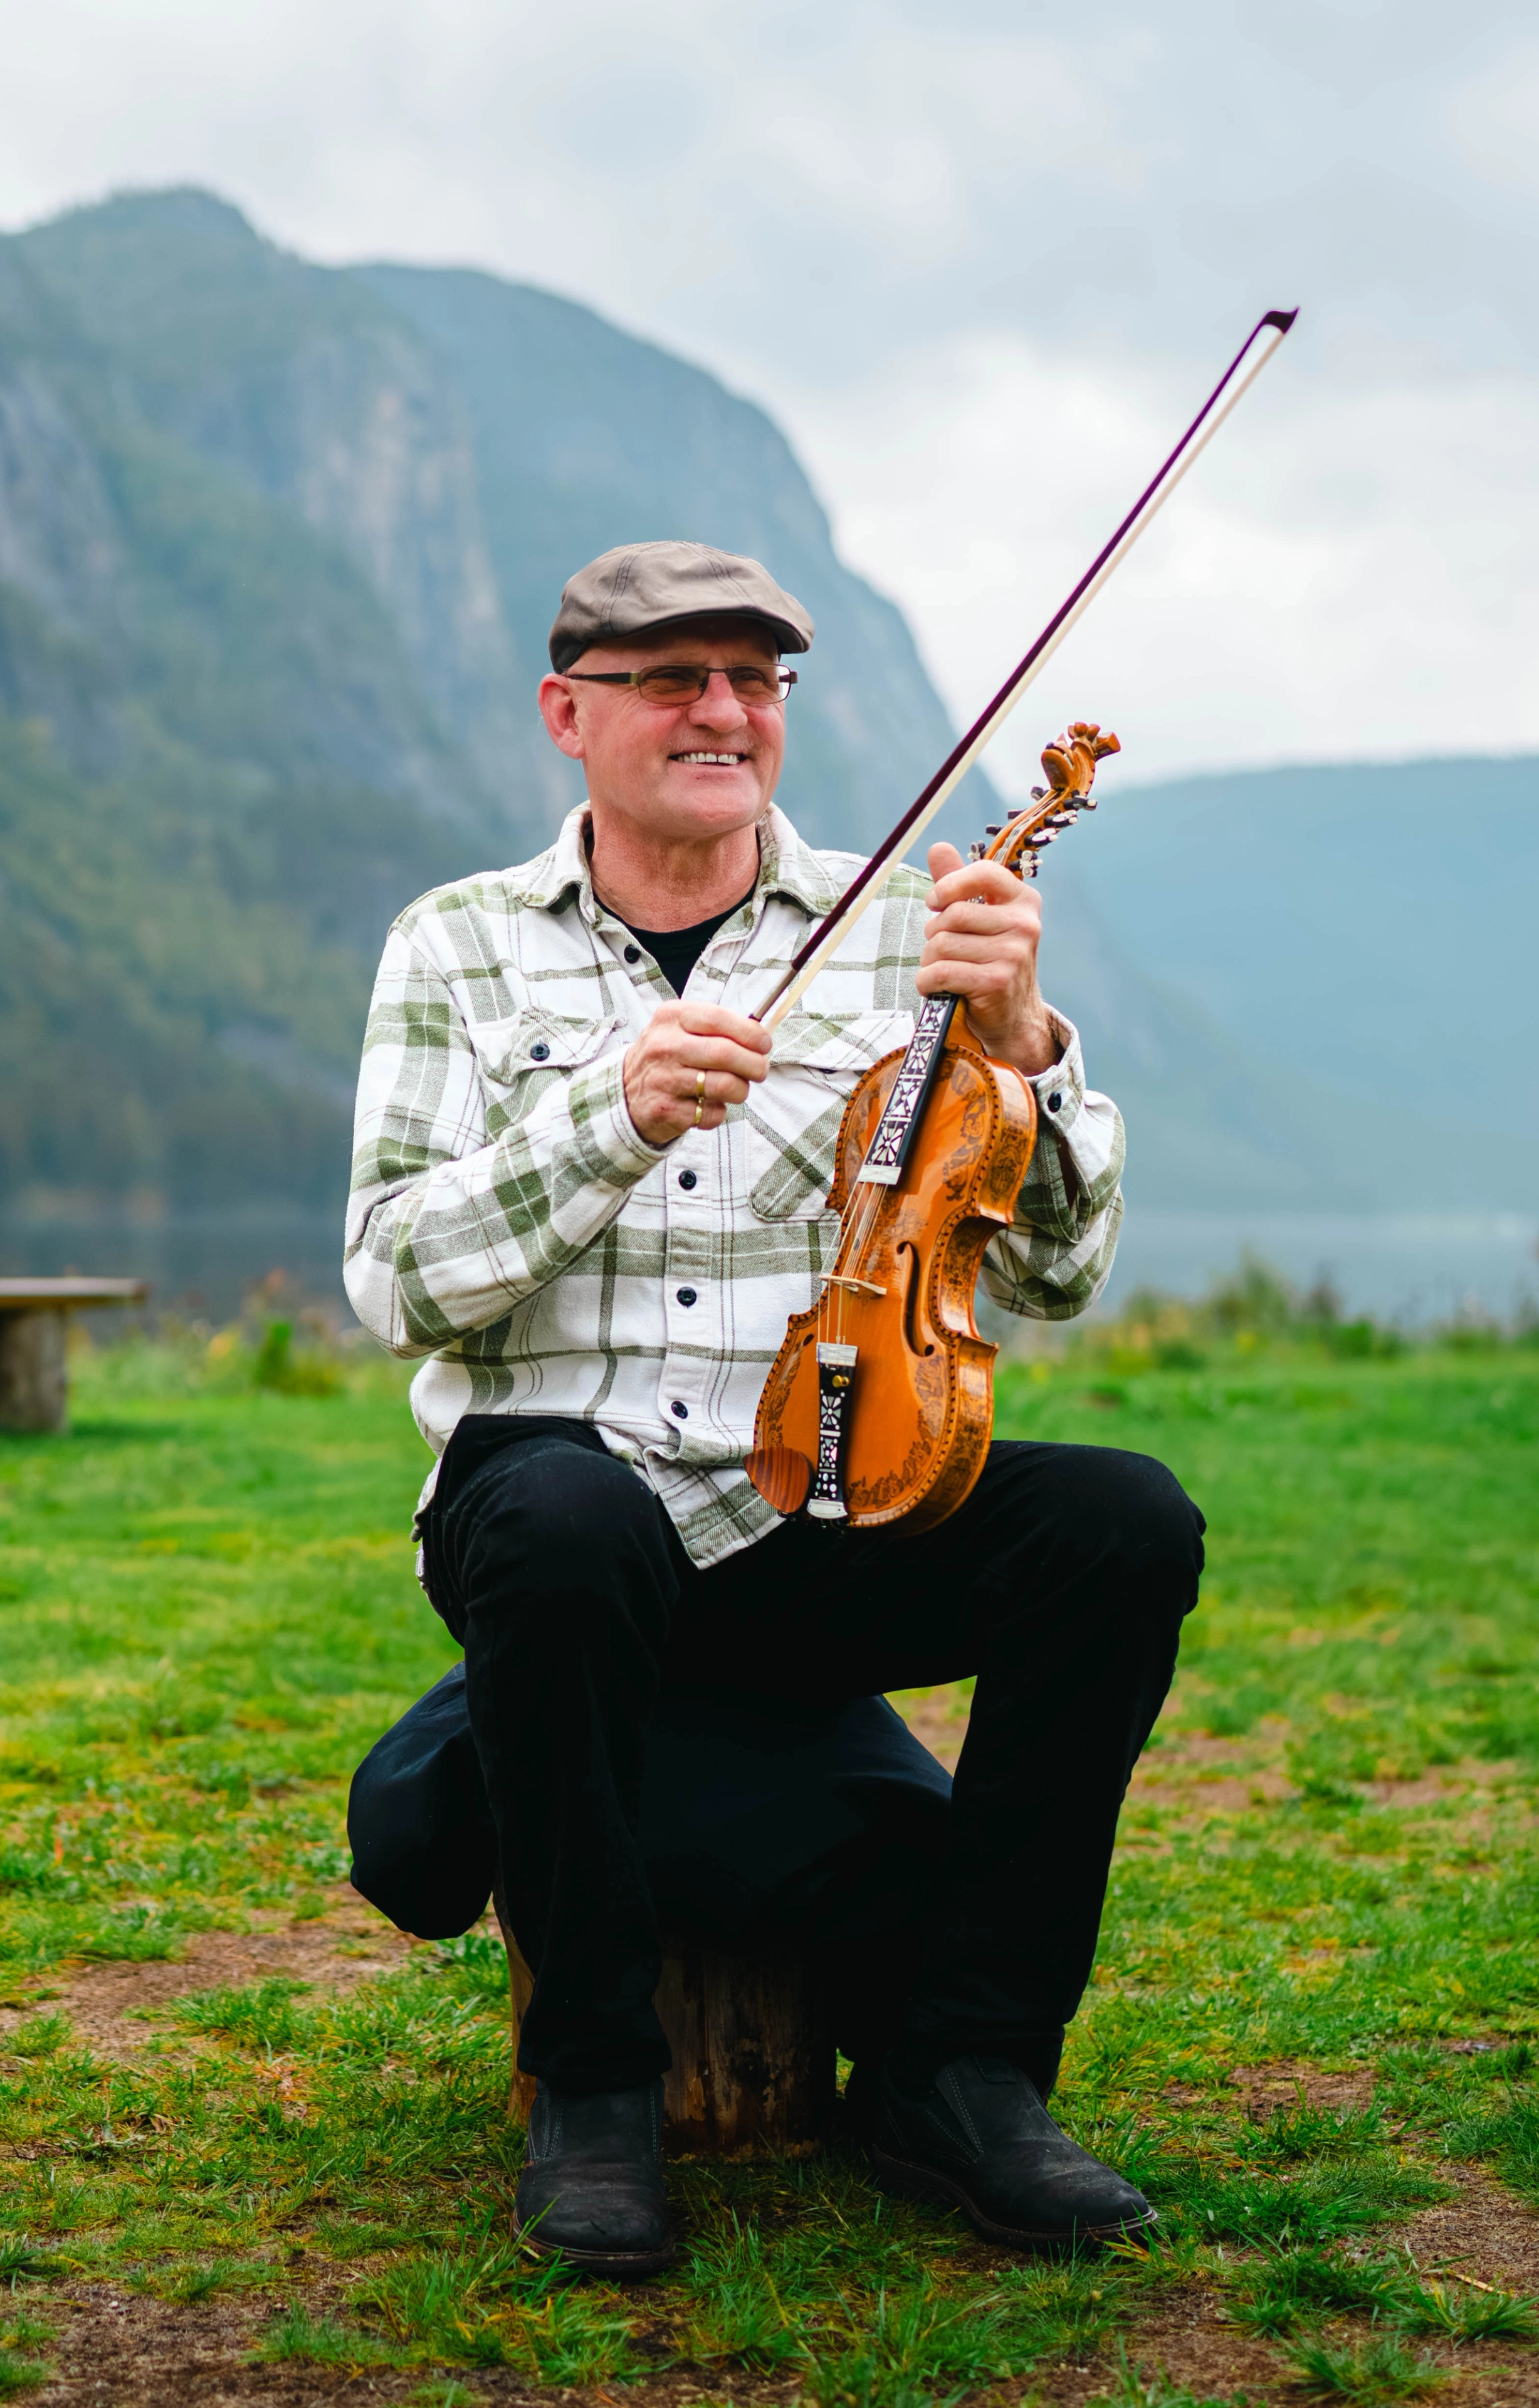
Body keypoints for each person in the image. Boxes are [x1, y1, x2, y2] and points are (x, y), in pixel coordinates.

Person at [344, 540, 1204, 2274]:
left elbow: (1053, 1278)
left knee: (1123, 1524)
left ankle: (963, 2074)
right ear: (567, 713)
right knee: (568, 1516)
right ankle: (594, 2083)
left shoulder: (914, 922)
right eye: (672, 678)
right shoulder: (460, 947)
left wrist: (1027, 1049)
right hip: (562, 1513)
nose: (721, 710)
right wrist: (609, 1118)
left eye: (754, 678)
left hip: (829, 1504)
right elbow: (395, 1285)